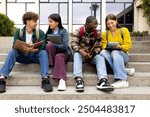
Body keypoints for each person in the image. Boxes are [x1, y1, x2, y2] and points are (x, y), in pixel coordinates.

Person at [0, 12, 53, 93]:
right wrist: (24, 48)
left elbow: (43, 46)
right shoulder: (19, 31)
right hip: (23, 56)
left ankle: (45, 79)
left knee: (43, 53)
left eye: (37, 21)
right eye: (34, 21)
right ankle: (2, 78)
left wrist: (34, 49)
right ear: (28, 21)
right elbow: (15, 45)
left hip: (35, 56)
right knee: (12, 52)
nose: (36, 23)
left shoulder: (40, 33)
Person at [71, 16, 114, 92]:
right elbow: (73, 44)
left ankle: (103, 81)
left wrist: (93, 53)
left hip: (91, 56)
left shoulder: (97, 33)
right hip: (81, 55)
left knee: (100, 57)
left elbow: (99, 47)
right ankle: (79, 80)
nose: (96, 25)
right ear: (87, 23)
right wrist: (81, 51)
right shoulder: (78, 31)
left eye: (97, 23)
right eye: (94, 23)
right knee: (76, 54)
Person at [101, 14, 133, 88]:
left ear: (116, 21)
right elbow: (104, 47)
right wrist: (109, 47)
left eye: (112, 23)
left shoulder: (124, 30)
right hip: (111, 55)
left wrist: (120, 47)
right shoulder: (104, 34)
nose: (110, 25)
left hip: (123, 55)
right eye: (108, 24)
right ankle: (123, 70)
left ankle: (122, 80)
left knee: (115, 52)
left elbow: (128, 46)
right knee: (103, 52)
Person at [46, 13, 71, 91]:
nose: (49, 23)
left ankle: (62, 81)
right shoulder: (48, 32)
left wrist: (54, 44)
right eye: (49, 21)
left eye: (51, 21)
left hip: (63, 54)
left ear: (57, 22)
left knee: (58, 56)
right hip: (52, 55)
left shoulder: (64, 31)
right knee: (48, 45)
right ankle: (51, 65)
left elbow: (65, 46)